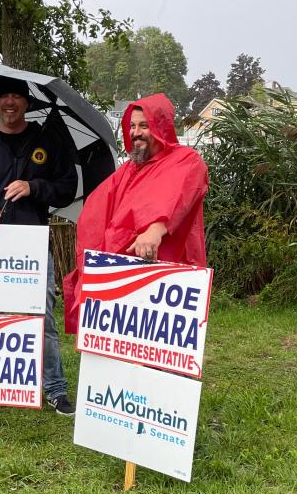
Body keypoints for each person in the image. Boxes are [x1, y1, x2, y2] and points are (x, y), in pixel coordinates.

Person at [0, 80, 77, 415]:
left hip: (33, 246)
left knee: (43, 319)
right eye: (4, 96)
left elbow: (67, 188)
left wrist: (34, 186)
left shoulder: (46, 141)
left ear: (26, 102)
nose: (10, 102)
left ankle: (55, 388)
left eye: (17, 95)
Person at [63, 93, 209, 332]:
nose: (135, 132)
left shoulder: (186, 161)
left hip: (167, 277)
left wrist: (154, 230)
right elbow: (98, 209)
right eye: (132, 126)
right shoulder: (129, 170)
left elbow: (180, 196)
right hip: (123, 275)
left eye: (144, 125)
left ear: (160, 127)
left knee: (160, 353)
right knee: (121, 353)